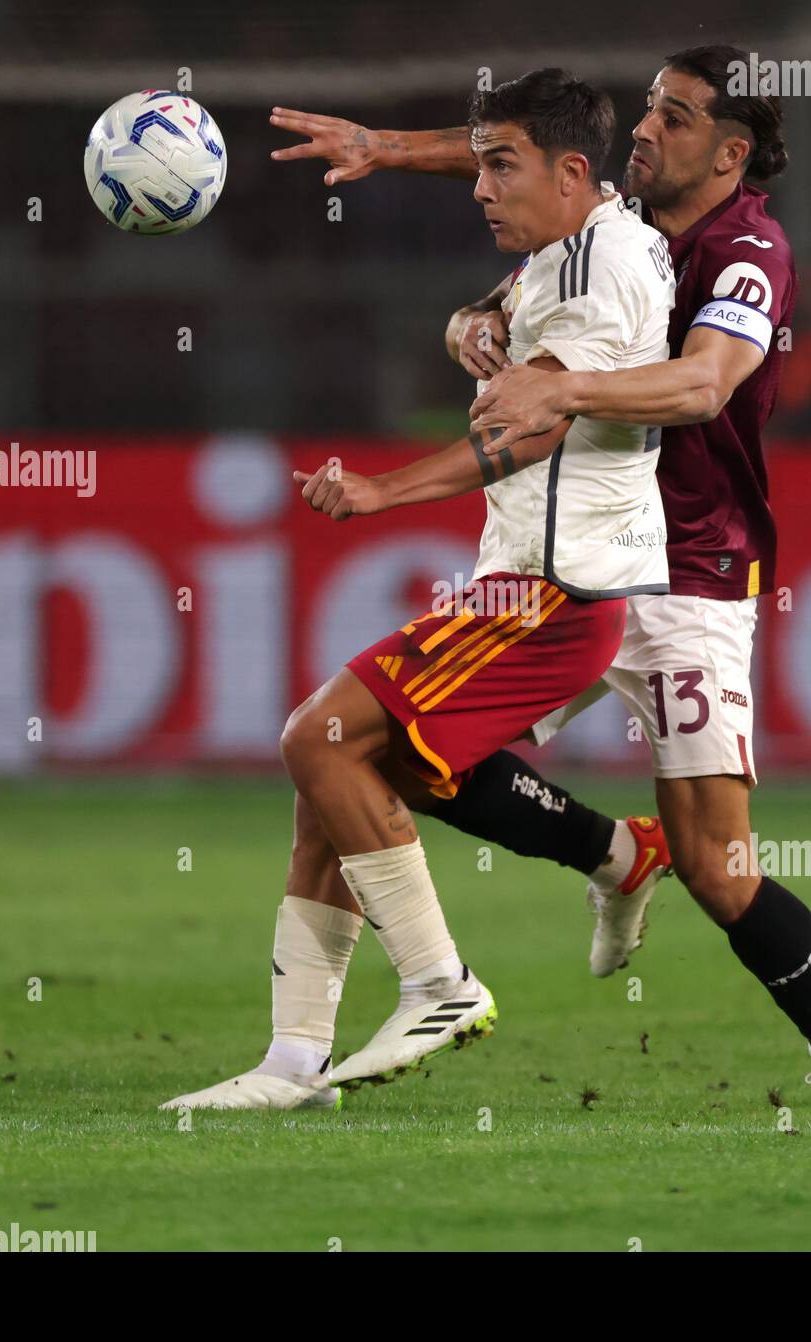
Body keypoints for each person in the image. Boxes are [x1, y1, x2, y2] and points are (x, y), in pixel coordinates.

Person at [266, 45, 811, 1111]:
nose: (648, 130)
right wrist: (461, 293)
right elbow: (521, 169)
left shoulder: (750, 250)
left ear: (732, 152)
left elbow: (702, 385)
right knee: (402, 752)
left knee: (719, 868)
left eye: (678, 118)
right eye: (648, 108)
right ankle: (610, 857)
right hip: (581, 564)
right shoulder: (616, 226)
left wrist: (563, 393)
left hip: (692, 574)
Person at [162, 68, 676, 1112]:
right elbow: (525, 310)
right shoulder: (573, 248)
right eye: (478, 164)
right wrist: (469, 315)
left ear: (572, 173)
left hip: (555, 591)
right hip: (543, 578)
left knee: (318, 738)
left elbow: (535, 425)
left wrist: (379, 488)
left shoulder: (593, 273)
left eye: (500, 169)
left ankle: (441, 983)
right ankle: (291, 1063)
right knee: (340, 778)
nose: (480, 188)